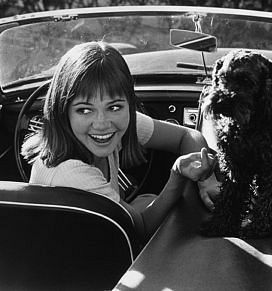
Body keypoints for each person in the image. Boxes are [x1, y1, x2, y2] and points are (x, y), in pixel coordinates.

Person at [21, 41, 220, 244]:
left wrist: (207, 181)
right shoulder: (70, 173)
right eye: (84, 110)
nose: (102, 123)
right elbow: (138, 230)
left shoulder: (121, 122)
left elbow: (187, 136)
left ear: (128, 103)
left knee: (147, 200)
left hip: (104, 245)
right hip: (77, 265)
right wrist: (177, 175)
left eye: (114, 107)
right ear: (63, 111)